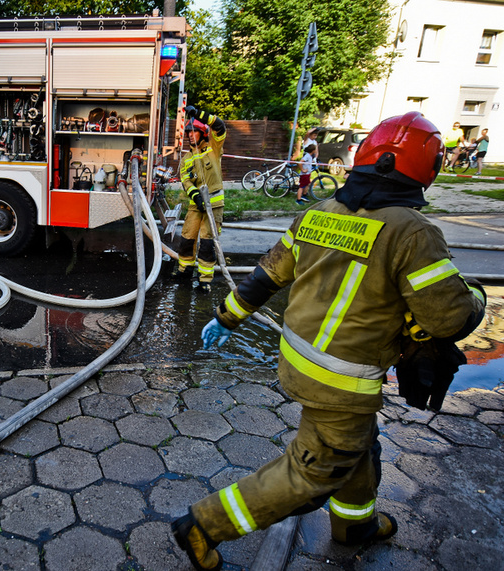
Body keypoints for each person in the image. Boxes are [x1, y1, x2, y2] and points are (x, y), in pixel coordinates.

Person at [171, 111, 486, 570]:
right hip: (344, 382)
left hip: (300, 363)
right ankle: (202, 525)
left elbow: (265, 277)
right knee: (313, 471)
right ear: (426, 169)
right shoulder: (411, 233)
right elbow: (451, 318)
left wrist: (226, 317)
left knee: (358, 446)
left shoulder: (318, 214)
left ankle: (355, 524)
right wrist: (474, 293)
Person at [170, 105, 227, 293]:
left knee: (207, 243)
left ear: (203, 133)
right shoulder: (187, 157)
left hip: (214, 206)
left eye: (193, 132)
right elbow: (185, 180)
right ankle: (184, 270)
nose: (189, 136)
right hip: (196, 205)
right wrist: (195, 196)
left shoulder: (213, 146)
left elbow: (220, 126)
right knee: (187, 238)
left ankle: (205, 280)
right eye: (187, 133)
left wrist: (200, 115)